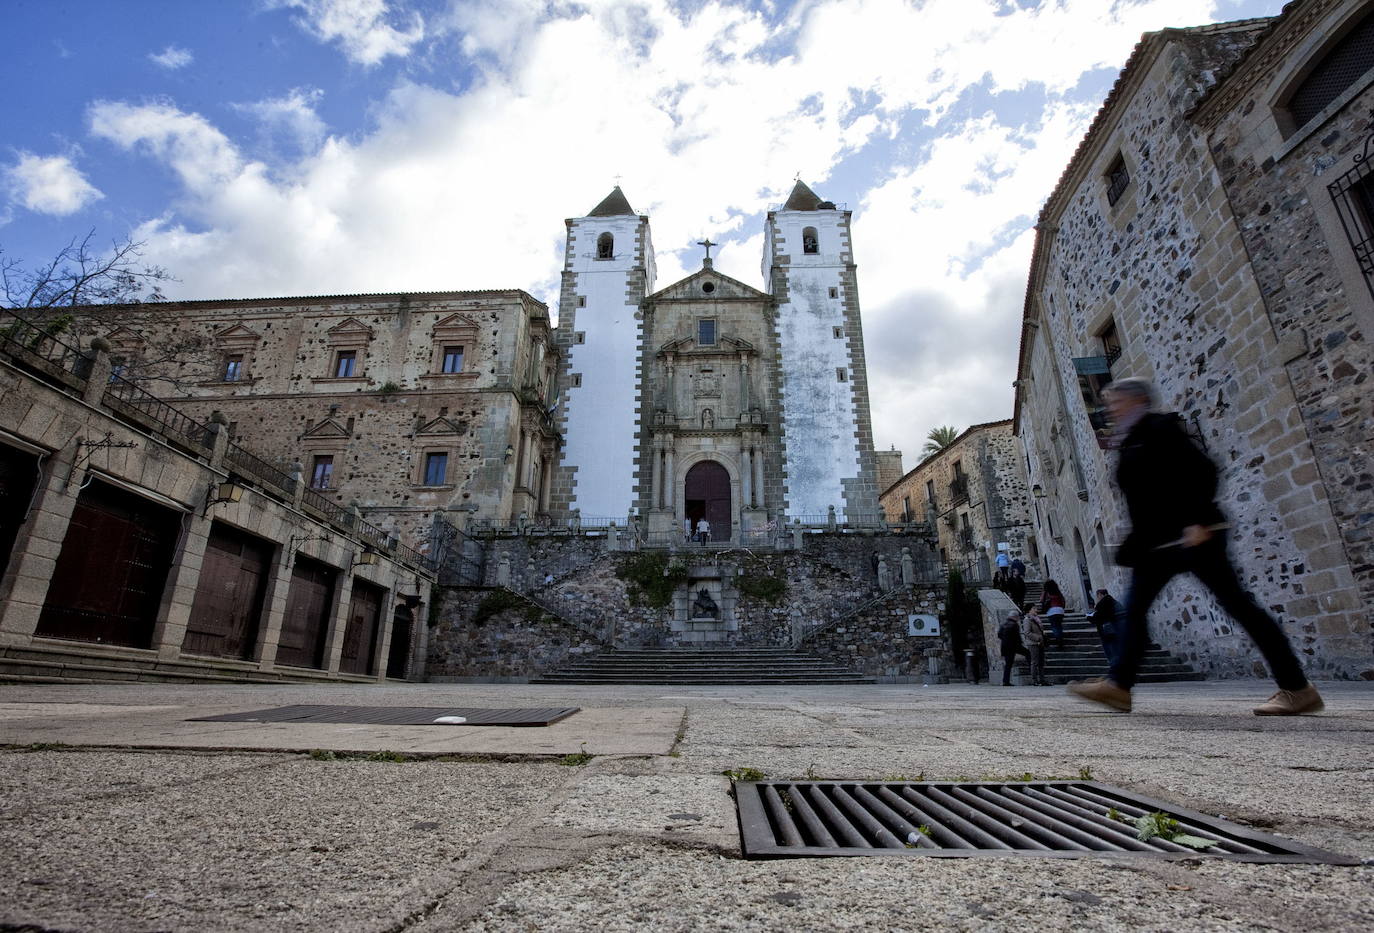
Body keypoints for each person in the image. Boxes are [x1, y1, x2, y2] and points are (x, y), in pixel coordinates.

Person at [1070, 377, 1323, 716]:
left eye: (1114, 401)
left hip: (1193, 536)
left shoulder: (1160, 428)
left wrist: (1198, 520)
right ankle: (1118, 686)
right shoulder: (1130, 440)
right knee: (1134, 610)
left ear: (1137, 400)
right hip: (1157, 544)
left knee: (1239, 607)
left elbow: (1203, 471)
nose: (1109, 408)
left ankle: (1296, 688)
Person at [1087, 588, 1120, 666]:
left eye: (1098, 596)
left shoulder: (1102, 604)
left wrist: (1089, 617)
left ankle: (1114, 665)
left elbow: (1099, 616)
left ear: (1101, 595)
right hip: (1115, 628)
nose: (1098, 598)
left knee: (1109, 649)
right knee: (1115, 647)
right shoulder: (1114, 602)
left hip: (1106, 630)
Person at [998, 610, 1029, 686]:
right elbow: (1017, 637)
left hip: (1005, 647)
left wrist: (1005, 640)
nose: (1018, 618)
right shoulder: (1015, 625)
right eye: (1017, 617)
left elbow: (999, 635)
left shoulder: (1003, 624)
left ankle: (1005, 681)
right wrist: (1020, 644)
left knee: (1008, 665)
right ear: (1015, 617)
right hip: (1014, 646)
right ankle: (1032, 670)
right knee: (1028, 653)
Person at [1020, 605, 1047, 686]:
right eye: (1034, 608)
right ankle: (1034, 680)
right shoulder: (1027, 620)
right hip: (1033, 643)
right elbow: (1027, 632)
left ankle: (1042, 680)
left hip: (1040, 643)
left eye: (1036, 608)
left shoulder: (1036, 619)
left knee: (1041, 662)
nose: (1036, 610)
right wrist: (1038, 638)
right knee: (1034, 662)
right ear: (1029, 610)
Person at [1040, 579, 1066, 649]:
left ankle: (1058, 640)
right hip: (1060, 610)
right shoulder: (1058, 592)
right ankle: (1060, 638)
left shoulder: (1046, 592)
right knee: (1059, 625)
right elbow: (1063, 600)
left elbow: (1041, 600)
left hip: (1051, 611)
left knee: (1054, 626)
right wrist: (1062, 608)